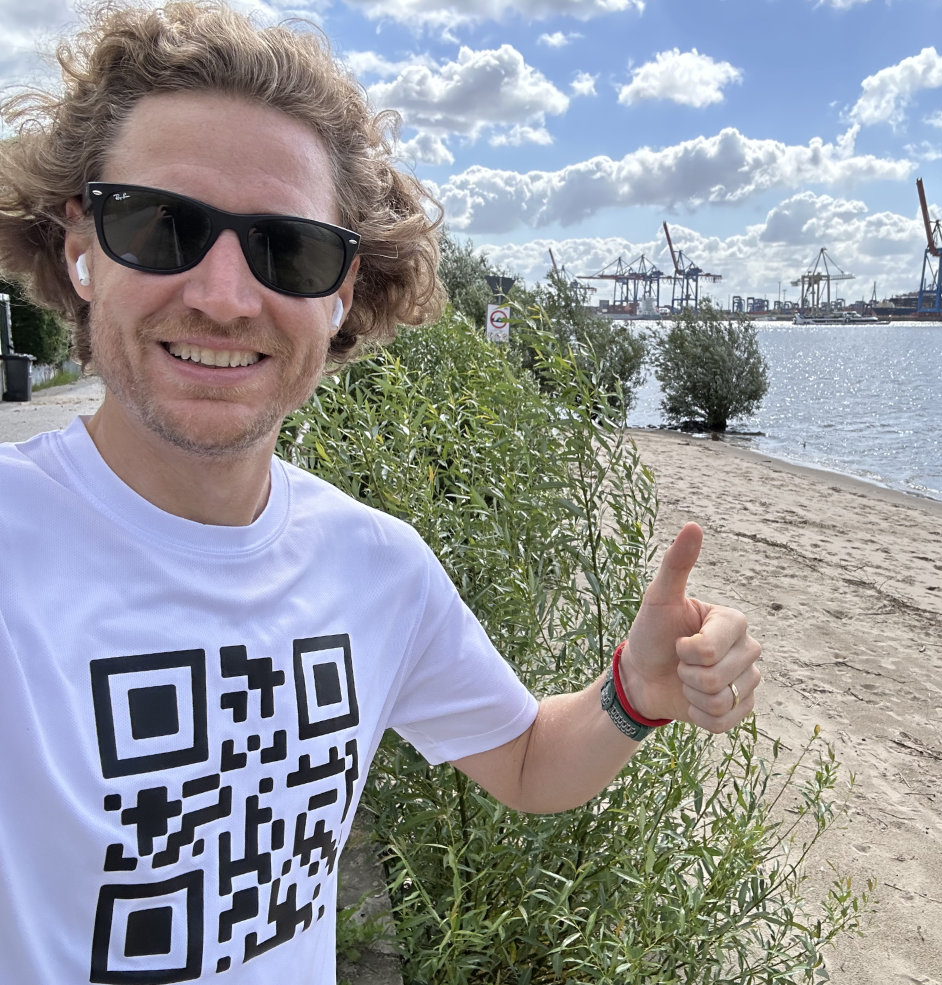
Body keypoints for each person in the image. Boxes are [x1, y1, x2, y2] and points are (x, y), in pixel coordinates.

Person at [0, 2, 761, 981]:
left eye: (288, 249)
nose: (225, 296)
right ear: (81, 245)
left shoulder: (377, 566)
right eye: (160, 226)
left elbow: (528, 760)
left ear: (341, 292)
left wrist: (634, 691)